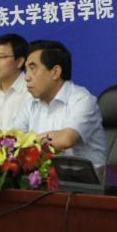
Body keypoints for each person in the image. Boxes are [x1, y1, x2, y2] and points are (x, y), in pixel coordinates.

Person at [12, 40, 106, 168]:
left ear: (55, 72)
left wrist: (27, 141)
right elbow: (13, 139)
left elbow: (66, 139)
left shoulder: (83, 99)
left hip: (83, 178)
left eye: (32, 69)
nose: (26, 77)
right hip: (45, 177)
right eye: (26, 70)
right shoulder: (30, 104)